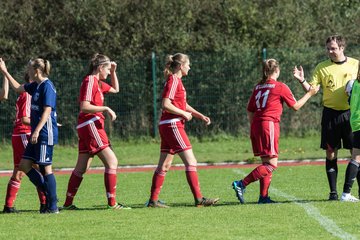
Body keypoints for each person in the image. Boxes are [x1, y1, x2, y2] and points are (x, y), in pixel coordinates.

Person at [232, 59, 319, 204]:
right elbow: (296, 106)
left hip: (257, 125)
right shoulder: (280, 86)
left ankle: (263, 197)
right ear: (277, 71)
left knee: (266, 162)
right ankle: (241, 184)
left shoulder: (258, 87)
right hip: (269, 125)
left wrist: (254, 125)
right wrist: (310, 94)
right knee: (271, 165)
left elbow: (249, 110)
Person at [146, 53, 219, 208]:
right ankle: (199, 200)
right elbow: (166, 104)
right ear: (180, 66)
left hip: (167, 124)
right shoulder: (173, 80)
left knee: (164, 165)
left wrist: (199, 115)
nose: (190, 67)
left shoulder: (176, 81)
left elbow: (181, 104)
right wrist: (183, 114)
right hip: (173, 124)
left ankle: (153, 201)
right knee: (191, 161)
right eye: (188, 64)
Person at [293, 35, 359, 200]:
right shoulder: (322, 67)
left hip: (350, 115)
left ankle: (353, 192)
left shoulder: (355, 64)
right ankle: (333, 193)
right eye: (328, 48)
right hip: (330, 115)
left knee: (356, 153)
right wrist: (302, 81)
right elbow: (312, 90)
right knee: (331, 153)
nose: (330, 51)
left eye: (334, 48)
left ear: (342, 48)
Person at [62, 53, 129, 210]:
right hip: (90, 124)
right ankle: (112, 204)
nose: (107, 72)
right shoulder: (90, 81)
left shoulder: (98, 82)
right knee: (112, 162)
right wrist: (105, 108)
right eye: (106, 69)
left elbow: (116, 89)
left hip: (88, 126)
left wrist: (113, 71)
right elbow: (84, 106)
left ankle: (67, 204)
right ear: (99, 68)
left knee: (81, 167)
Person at [0, 57, 59, 213]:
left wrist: (38, 130)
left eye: (29, 68)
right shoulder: (35, 86)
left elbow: (47, 111)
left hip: (45, 133)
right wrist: (5, 72)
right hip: (36, 133)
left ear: (36, 70)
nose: (27, 71)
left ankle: (52, 207)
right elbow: (18, 88)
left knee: (46, 168)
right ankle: (48, 193)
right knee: (24, 165)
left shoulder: (47, 86)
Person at [2, 72, 47, 213]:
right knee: (38, 167)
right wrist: (44, 122)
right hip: (23, 134)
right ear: (32, 79)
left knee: (19, 171)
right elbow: (24, 119)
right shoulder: (28, 95)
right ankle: (45, 204)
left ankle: (8, 206)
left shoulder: (30, 94)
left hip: (20, 135)